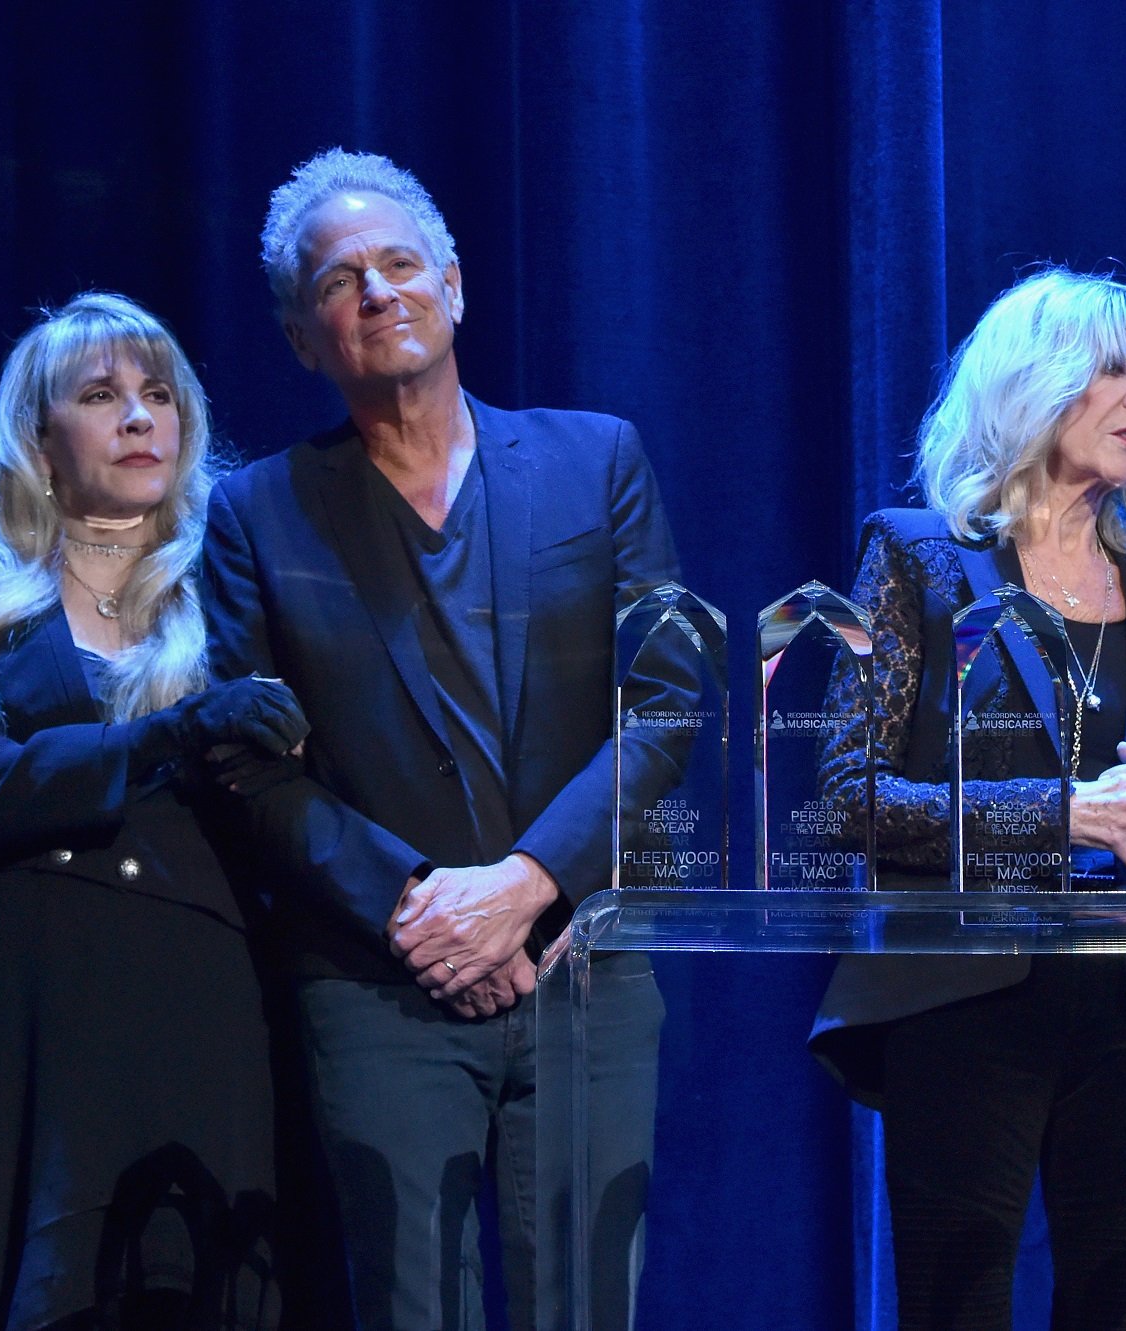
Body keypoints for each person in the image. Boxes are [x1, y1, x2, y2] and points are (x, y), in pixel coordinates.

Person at [201, 148, 682, 1331]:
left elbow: (669, 702)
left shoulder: (595, 458)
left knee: (585, 1305)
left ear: (454, 285)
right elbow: (243, 759)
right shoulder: (256, 512)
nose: (375, 289)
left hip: (581, 967)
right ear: (303, 337)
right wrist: (422, 903)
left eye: (399, 263)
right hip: (382, 981)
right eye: (337, 280)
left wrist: (521, 886)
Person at [0, 293, 309, 1330]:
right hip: (23, 992)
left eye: (158, 394)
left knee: (198, 1273)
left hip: (204, 981)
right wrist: (170, 732)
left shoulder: (231, 590)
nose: (138, 417)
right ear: (39, 435)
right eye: (101, 394)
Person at [810, 268, 1126, 1330]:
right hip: (963, 991)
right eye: (1110, 369)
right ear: (1031, 385)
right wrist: (1058, 810)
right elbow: (845, 791)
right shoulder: (919, 558)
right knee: (957, 1296)